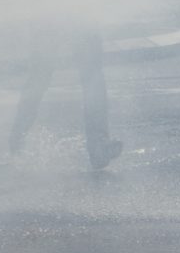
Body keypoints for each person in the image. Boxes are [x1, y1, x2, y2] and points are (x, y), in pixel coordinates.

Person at [10, 29, 123, 170]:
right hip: (50, 17)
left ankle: (99, 144)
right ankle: (17, 140)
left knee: (92, 73)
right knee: (40, 75)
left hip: (77, 15)